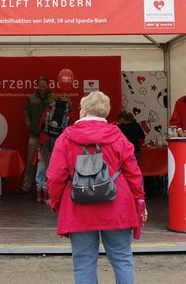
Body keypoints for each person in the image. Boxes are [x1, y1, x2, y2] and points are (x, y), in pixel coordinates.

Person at [46, 91, 147, 284]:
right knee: (122, 259)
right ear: (106, 113)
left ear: (83, 111)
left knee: (83, 262)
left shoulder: (66, 138)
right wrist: (139, 199)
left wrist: (58, 202)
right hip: (117, 204)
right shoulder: (118, 137)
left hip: (78, 205)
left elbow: (55, 176)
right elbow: (134, 173)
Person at [21, 76, 56, 194]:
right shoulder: (31, 99)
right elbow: (26, 114)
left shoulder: (53, 98)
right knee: (31, 161)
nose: (42, 88)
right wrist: (31, 126)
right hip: (34, 135)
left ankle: (49, 188)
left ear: (47, 86)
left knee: (49, 162)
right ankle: (26, 187)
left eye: (44, 86)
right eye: (40, 86)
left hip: (49, 136)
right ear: (37, 86)